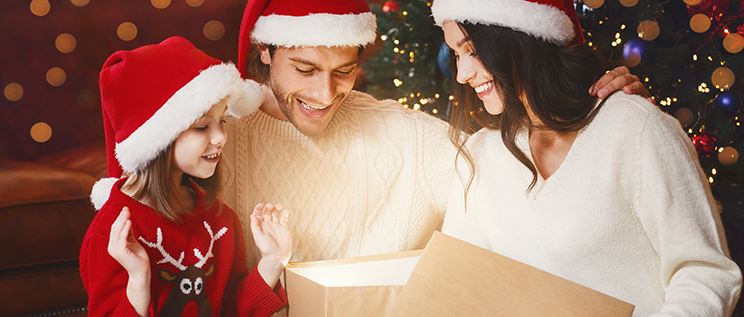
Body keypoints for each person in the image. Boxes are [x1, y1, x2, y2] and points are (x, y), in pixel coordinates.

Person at [220, 0, 646, 270]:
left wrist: (593, 117)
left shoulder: (406, 138)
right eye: (305, 69)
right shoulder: (214, 141)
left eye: (343, 71)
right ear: (265, 50)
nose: (324, 94)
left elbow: (520, 170)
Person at [433, 0, 743, 315]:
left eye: (471, 50)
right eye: (457, 55)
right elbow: (462, 289)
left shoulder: (633, 128)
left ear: (518, 38)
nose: (462, 75)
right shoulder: (479, 155)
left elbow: (705, 272)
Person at [79, 36, 291, 317]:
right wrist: (138, 283)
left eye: (222, 122)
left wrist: (272, 261)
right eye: (202, 126)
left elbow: (232, 310)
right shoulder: (113, 236)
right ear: (158, 140)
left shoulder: (220, 219)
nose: (220, 137)